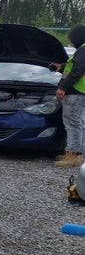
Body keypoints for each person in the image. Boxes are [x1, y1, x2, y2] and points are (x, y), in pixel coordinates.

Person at [52, 24, 85, 167]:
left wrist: (62, 88)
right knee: (79, 124)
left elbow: (77, 70)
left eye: (72, 38)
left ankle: (72, 154)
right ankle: (78, 154)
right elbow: (74, 67)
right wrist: (62, 67)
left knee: (72, 123)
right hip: (81, 92)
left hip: (75, 92)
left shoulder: (83, 50)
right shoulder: (82, 51)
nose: (71, 41)